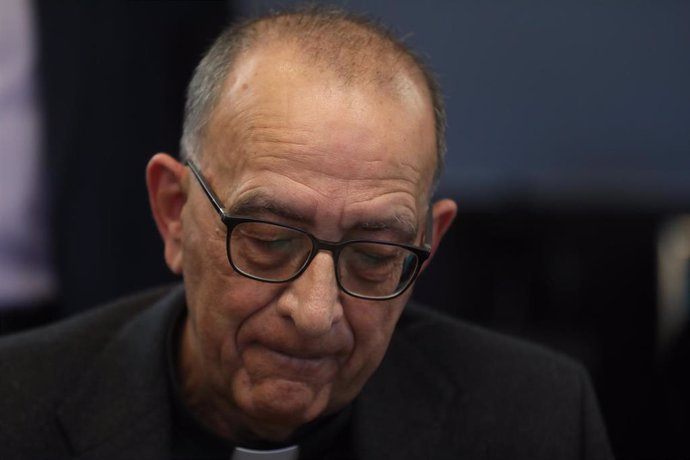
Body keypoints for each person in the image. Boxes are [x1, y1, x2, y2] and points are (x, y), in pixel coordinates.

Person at [0, 7, 614, 459]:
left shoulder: (537, 422)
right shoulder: (18, 410)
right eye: (269, 239)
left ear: (426, 250)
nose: (317, 312)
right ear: (173, 213)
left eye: (374, 255)